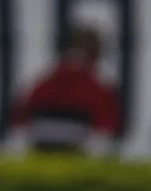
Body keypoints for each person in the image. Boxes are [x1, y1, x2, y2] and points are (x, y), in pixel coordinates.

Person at [8, 25, 121, 155]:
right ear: (96, 52)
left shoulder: (47, 79)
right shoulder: (96, 85)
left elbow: (20, 116)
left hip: (39, 144)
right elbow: (107, 125)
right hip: (78, 147)